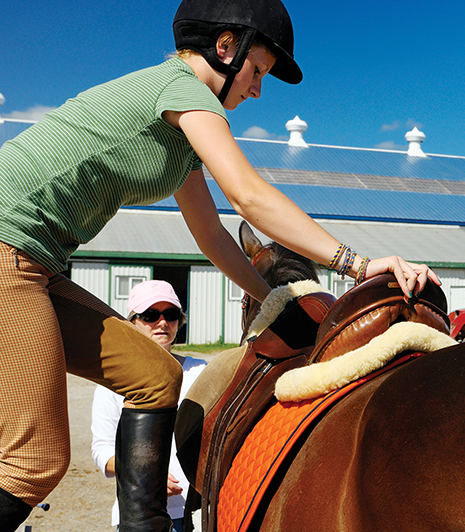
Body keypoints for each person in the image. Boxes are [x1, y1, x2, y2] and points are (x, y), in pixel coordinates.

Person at [0, 0, 438, 529]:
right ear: (225, 48)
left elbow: (211, 236)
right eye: (257, 71)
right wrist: (358, 264)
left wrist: (275, 298)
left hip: (36, 263)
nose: (256, 90)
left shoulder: (180, 134)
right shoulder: (182, 90)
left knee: (156, 375)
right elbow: (250, 197)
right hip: (8, 250)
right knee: (35, 463)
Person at [91, 281, 205, 532]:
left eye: (171, 314)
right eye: (151, 315)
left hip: (198, 514)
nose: (163, 322)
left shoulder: (200, 371)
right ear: (132, 322)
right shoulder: (112, 382)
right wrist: (147, 476)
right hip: (139, 513)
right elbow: (102, 450)